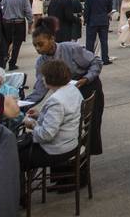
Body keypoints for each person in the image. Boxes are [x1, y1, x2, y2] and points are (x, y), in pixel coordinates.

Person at [28, 17, 106, 156]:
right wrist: (23, 105)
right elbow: (39, 89)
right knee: (70, 127)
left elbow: (96, 61)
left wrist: (86, 79)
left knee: (90, 126)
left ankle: (82, 157)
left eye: (41, 44)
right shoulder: (41, 62)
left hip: (88, 86)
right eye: (35, 46)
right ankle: (74, 156)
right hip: (68, 93)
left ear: (52, 39)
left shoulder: (71, 48)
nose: (38, 49)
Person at [18, 60, 82, 171]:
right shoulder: (72, 89)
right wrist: (40, 116)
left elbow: (46, 135)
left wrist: (32, 124)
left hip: (57, 149)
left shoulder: (56, 100)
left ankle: (16, 187)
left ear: (50, 78)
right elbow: (64, 117)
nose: (42, 79)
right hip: (71, 142)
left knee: (12, 156)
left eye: (43, 77)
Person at [0, 0, 32, 71]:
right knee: (17, 44)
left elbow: (2, 7)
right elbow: (27, 9)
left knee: (7, 42)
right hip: (19, 22)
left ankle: (4, 59)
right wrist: (30, 20)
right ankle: (12, 63)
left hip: (7, 22)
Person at [84, 0, 114, 65]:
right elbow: (110, 8)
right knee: (104, 41)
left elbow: (87, 9)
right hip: (103, 20)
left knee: (90, 41)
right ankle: (105, 58)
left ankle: (89, 59)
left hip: (92, 20)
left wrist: (86, 20)